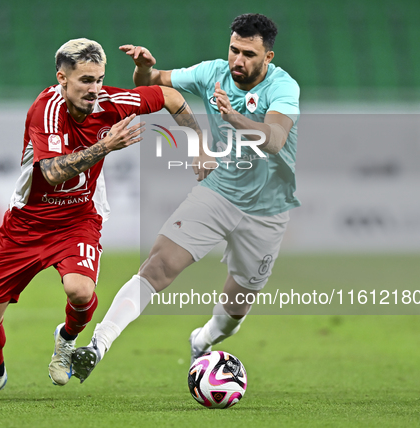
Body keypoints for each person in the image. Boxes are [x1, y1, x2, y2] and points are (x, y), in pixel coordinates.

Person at [0, 38, 201, 400]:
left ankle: (67, 340)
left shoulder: (111, 102)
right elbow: (54, 172)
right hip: (28, 224)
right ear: (62, 78)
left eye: (99, 79)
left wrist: (197, 142)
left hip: (78, 219)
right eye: (85, 80)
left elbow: (168, 97)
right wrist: (106, 146)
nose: (94, 89)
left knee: (81, 290)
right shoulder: (46, 109)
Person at [72, 13, 300, 382]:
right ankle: (98, 345)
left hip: (267, 212)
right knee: (158, 266)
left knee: (234, 312)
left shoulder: (283, 88)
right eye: (234, 50)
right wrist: (144, 69)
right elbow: (152, 86)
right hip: (219, 191)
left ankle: (204, 338)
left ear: (267, 58)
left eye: (248, 54)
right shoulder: (213, 73)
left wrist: (233, 115)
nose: (238, 61)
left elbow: (274, 140)